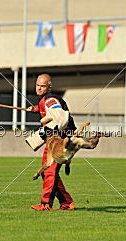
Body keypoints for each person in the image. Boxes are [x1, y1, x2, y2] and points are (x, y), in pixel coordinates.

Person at [26, 74, 77, 211]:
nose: (39, 88)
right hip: (57, 139)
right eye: (38, 85)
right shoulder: (45, 100)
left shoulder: (51, 100)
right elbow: (44, 107)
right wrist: (35, 109)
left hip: (61, 139)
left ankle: (45, 204)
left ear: (49, 87)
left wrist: (55, 129)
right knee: (47, 171)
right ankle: (67, 202)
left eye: (43, 86)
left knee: (49, 171)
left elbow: (57, 113)